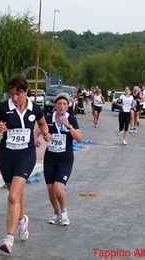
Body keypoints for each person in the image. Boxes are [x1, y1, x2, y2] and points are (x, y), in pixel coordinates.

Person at [0, 75, 50, 255]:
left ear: (26, 92)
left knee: (13, 197)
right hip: (6, 156)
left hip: (26, 155)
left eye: (18, 93)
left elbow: (43, 124)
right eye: (12, 93)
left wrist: (44, 134)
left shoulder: (35, 109)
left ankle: (8, 240)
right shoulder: (3, 108)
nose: (15, 98)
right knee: (16, 194)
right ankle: (22, 219)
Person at [37, 93, 82, 226]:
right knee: (51, 190)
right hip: (50, 158)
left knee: (58, 188)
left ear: (67, 107)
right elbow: (38, 130)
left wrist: (69, 127)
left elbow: (79, 138)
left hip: (65, 159)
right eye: (59, 104)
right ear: (55, 105)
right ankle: (56, 213)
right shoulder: (49, 118)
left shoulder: (71, 119)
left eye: (64, 104)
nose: (61, 106)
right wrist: (37, 138)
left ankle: (63, 212)